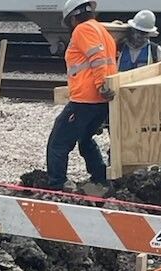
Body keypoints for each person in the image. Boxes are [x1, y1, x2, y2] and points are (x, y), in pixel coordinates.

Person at [46, 0, 119, 192]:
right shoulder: (102, 30)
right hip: (100, 102)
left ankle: (57, 184)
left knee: (58, 142)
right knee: (85, 139)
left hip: (85, 100)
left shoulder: (83, 30)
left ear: (73, 17)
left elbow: (97, 58)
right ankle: (100, 178)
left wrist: (101, 84)